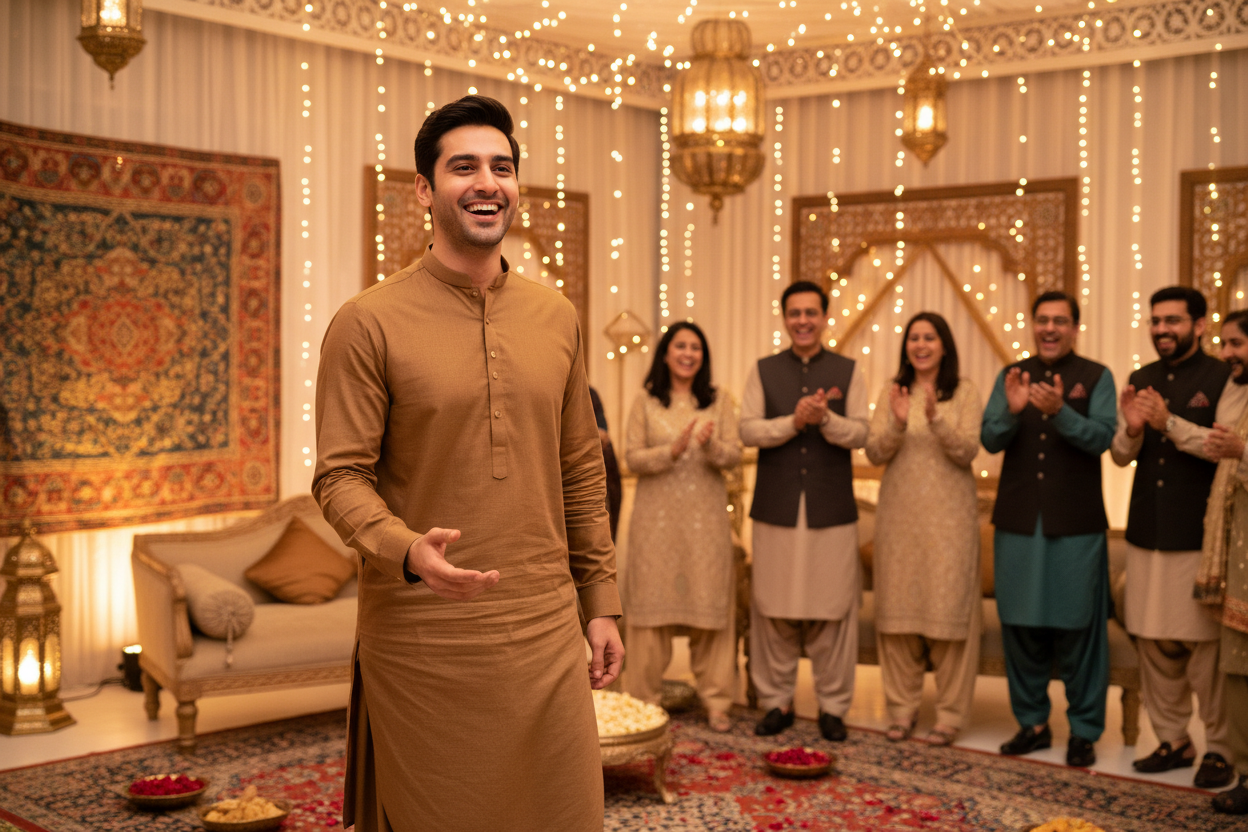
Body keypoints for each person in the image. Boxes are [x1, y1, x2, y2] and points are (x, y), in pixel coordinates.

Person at [312, 95, 623, 832]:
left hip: (544, 623)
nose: (488, 183)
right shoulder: (368, 322)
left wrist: (601, 602)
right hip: (426, 632)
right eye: (464, 167)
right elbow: (338, 476)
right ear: (425, 189)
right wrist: (407, 551)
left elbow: (581, 467)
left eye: (502, 168)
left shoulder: (557, 316)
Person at [981, 290, 1115, 768]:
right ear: (1033, 325)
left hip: (1076, 526)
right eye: (1042, 320)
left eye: (1060, 320)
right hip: (1018, 523)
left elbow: (1103, 437)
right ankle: (1032, 724)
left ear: (1075, 328)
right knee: (1021, 627)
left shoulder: (1096, 376)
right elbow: (989, 438)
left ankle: (1083, 730)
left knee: (1079, 628)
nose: (1050, 328)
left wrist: (1062, 412)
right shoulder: (1010, 375)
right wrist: (1013, 410)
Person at [1110, 286, 1234, 789]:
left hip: (1198, 533)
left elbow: (1227, 448)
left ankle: (1221, 749)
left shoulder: (1225, 377)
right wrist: (1134, 429)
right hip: (1147, 529)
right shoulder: (1141, 378)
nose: (1162, 330)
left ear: (1200, 325)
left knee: (1203, 647)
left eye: (1173, 321)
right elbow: (1121, 455)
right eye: (1155, 321)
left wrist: (1169, 422)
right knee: (1154, 639)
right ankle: (1173, 740)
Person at [740, 280, 870, 742]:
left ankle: (833, 707)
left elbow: (864, 434)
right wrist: (793, 422)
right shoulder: (764, 370)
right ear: (785, 318)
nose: (802, 321)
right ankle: (776, 700)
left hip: (831, 508)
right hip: (776, 507)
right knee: (773, 608)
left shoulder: (848, 370)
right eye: (794, 313)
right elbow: (748, 430)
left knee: (832, 609)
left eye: (810, 313)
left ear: (824, 317)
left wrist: (827, 420)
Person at [865, 312, 983, 746]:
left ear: (944, 345)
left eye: (929, 337)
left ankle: (950, 716)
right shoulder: (892, 392)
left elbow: (969, 449)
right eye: (913, 338)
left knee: (949, 615)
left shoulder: (965, 392)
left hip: (950, 522)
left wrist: (935, 419)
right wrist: (898, 421)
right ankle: (901, 711)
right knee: (897, 617)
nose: (920, 345)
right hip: (899, 521)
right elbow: (875, 451)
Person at [622, 321, 743, 732]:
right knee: (649, 613)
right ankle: (642, 702)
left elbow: (734, 456)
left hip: (705, 523)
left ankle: (717, 702)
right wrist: (670, 451)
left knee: (710, 609)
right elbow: (632, 458)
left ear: (703, 356)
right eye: (680, 346)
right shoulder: (645, 400)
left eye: (696, 347)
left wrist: (710, 445)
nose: (688, 353)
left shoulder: (719, 400)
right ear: (666, 354)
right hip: (655, 524)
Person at [1197, 309, 1248, 814]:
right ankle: (1247, 775)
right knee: (1237, 669)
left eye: (1236, 344)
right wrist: (1165, 423)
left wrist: (1243, 450)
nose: (1227, 353)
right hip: (1238, 559)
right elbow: (1219, 448)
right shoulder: (1238, 397)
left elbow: (1235, 451)